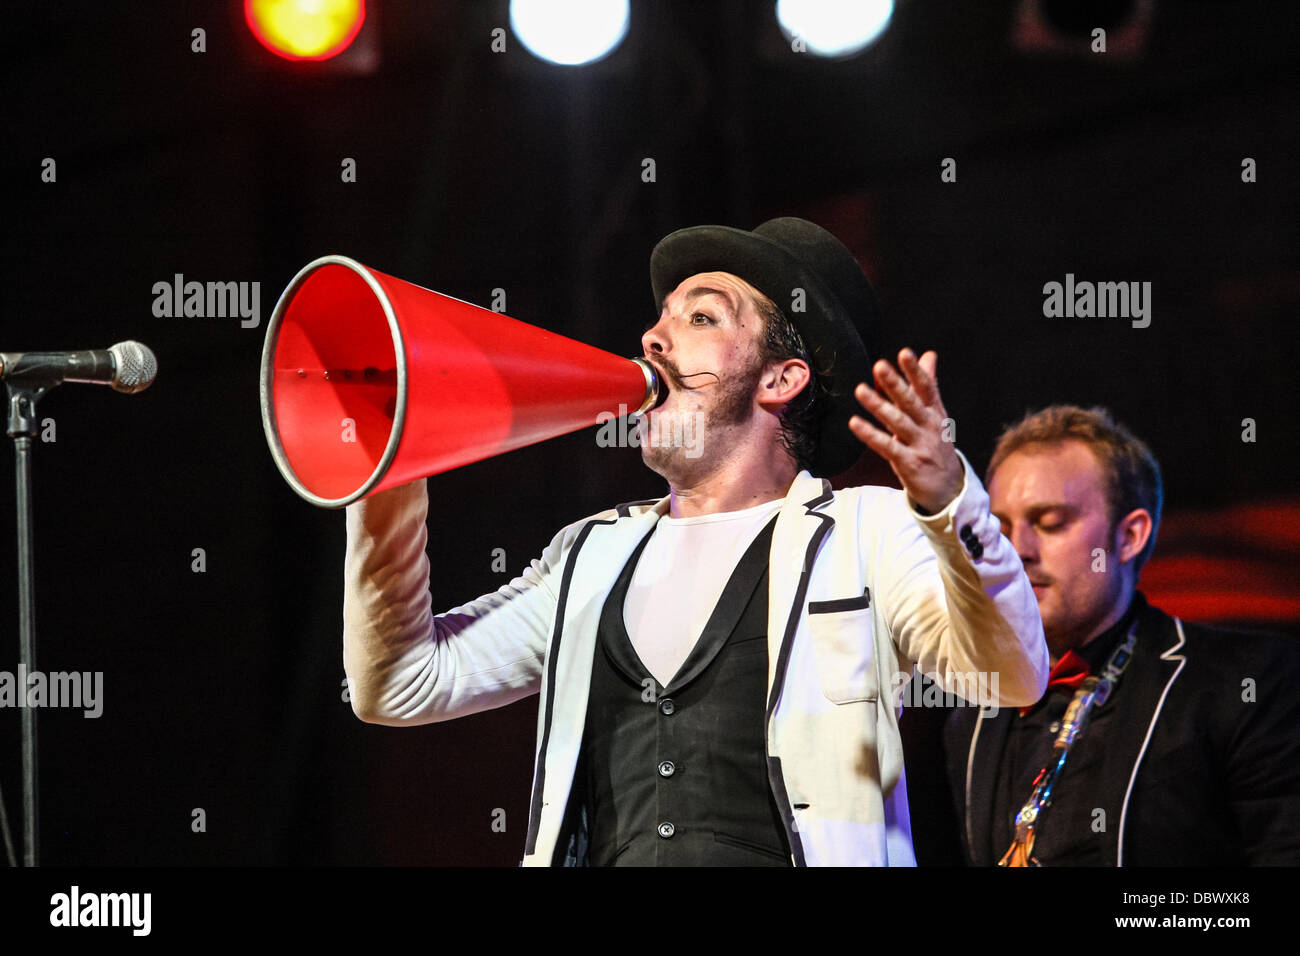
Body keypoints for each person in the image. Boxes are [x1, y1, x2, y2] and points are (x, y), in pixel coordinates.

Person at [342, 217, 1048, 866]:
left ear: (781, 378)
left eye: (701, 316)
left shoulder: (869, 531)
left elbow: (1013, 674)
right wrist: (391, 470)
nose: (652, 337)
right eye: (661, 318)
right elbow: (401, 685)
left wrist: (951, 501)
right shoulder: (590, 555)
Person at [943, 405, 1300, 866]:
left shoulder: (1247, 682)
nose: (1017, 550)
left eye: (1050, 523)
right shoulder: (970, 714)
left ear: (1129, 536)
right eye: (1001, 528)